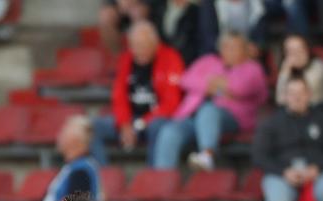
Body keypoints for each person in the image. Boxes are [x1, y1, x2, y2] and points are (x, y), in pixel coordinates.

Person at [152, 32, 268, 170]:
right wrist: (212, 86)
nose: (229, 51)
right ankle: (162, 181)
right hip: (194, 116)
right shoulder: (208, 61)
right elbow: (186, 79)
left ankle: (207, 154)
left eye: (234, 47)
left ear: (244, 49)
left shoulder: (252, 67)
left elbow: (240, 88)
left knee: (209, 110)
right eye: (226, 47)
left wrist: (216, 83)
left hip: (233, 118)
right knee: (169, 131)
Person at [253, 74, 323, 201]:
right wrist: (284, 172)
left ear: (309, 95)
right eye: (292, 93)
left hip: (317, 171)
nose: (297, 98)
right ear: (285, 97)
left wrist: (317, 168)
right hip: (281, 173)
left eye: (301, 93)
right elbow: (259, 156)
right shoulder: (272, 122)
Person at [90, 20, 184, 165]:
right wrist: (125, 124)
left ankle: (152, 179)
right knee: (90, 127)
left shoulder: (171, 58)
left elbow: (171, 104)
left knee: (158, 127)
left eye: (143, 45)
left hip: (156, 120)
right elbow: (119, 96)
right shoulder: (126, 59)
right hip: (131, 119)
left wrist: (140, 124)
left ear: (155, 43)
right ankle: (103, 178)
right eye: (135, 46)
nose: (138, 51)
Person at [275, 34, 323, 108]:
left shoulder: (320, 67)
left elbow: (305, 94)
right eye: (290, 51)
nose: (296, 54)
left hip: (321, 110)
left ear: (307, 49)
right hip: (297, 115)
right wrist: (284, 73)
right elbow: (280, 100)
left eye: (299, 49)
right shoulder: (288, 70)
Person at [198, 0, 267, 54]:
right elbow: (209, 37)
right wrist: (228, 49)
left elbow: (260, 38)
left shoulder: (257, 4)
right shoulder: (210, 3)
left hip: (249, 54)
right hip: (218, 53)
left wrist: (252, 47)